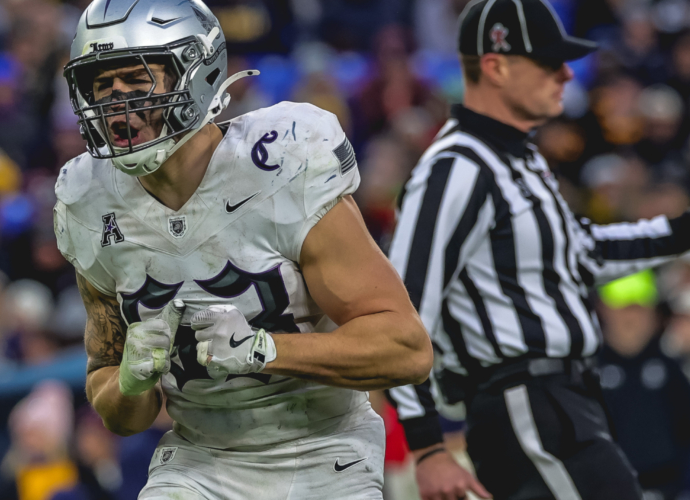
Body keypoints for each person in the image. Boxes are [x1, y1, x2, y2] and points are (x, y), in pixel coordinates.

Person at [53, 1, 433, 499]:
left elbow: (407, 349)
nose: (116, 103)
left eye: (137, 77)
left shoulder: (282, 162)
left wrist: (266, 349)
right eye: (102, 84)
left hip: (321, 449)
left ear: (198, 74)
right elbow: (115, 405)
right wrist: (129, 383)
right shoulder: (88, 199)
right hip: (197, 459)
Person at [387, 1, 690, 499]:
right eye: (549, 62)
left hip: (561, 401)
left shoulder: (520, 160)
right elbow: (401, 308)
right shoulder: (458, 167)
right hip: (523, 401)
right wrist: (426, 447)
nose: (566, 74)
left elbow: (582, 252)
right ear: (496, 66)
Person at [597, 272, 690, 500]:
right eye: (623, 307)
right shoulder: (587, 371)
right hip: (607, 489)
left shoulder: (675, 366)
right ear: (603, 309)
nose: (632, 316)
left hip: (671, 486)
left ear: (654, 312)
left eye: (640, 307)